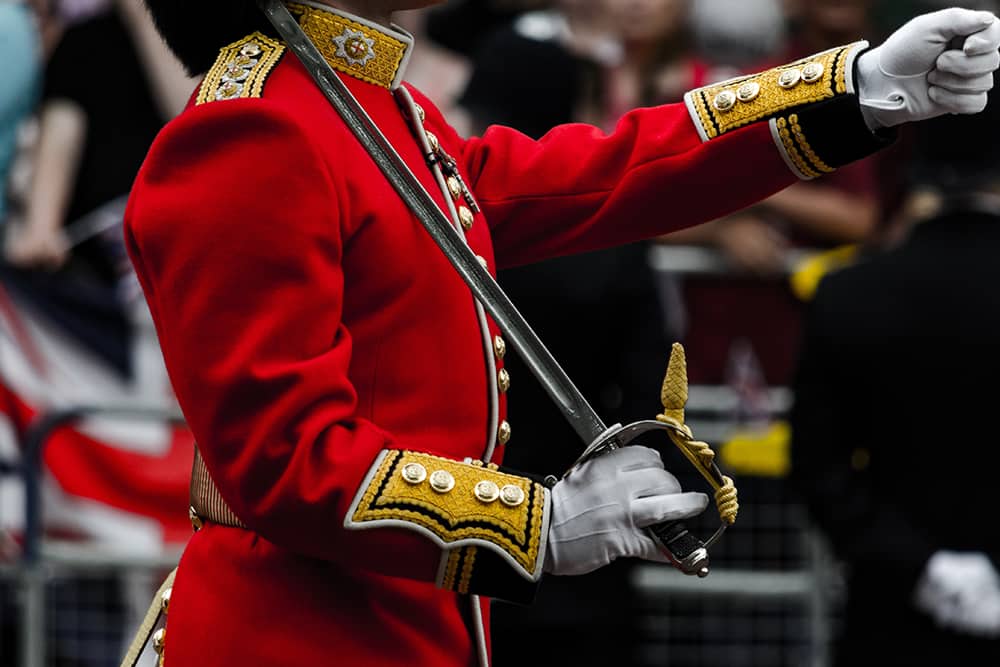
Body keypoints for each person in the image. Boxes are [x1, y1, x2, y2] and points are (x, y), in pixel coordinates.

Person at [126, 1, 1000, 665]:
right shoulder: (255, 125)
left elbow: (603, 172)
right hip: (288, 636)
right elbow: (284, 454)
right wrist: (535, 523)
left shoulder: (380, 109)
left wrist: (852, 93)